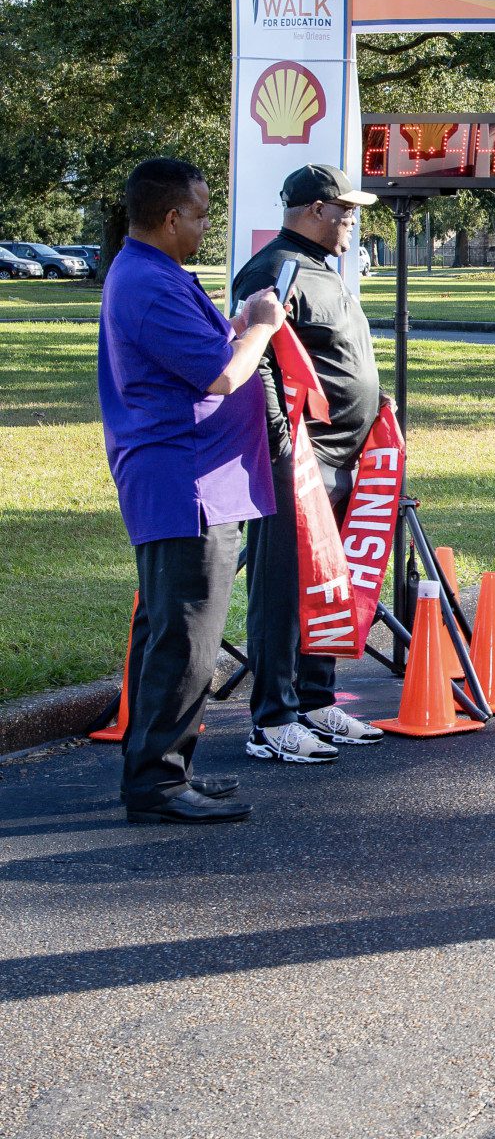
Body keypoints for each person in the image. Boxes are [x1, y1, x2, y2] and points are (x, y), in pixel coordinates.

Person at [98, 158, 283, 823]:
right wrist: (260, 325)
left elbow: (201, 354)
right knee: (186, 638)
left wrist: (234, 326)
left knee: (170, 630)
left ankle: (158, 769)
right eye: (202, 214)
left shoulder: (154, 274)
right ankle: (159, 782)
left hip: (192, 476)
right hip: (185, 480)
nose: (207, 225)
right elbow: (219, 378)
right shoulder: (148, 283)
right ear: (171, 217)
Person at [233, 164, 391, 762]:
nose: (352, 219)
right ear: (311, 210)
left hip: (346, 453)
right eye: (343, 209)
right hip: (298, 457)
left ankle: (316, 700)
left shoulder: (326, 270)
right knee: (280, 588)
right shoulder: (276, 268)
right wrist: (278, 436)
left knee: (328, 581)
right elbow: (258, 353)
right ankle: (272, 720)